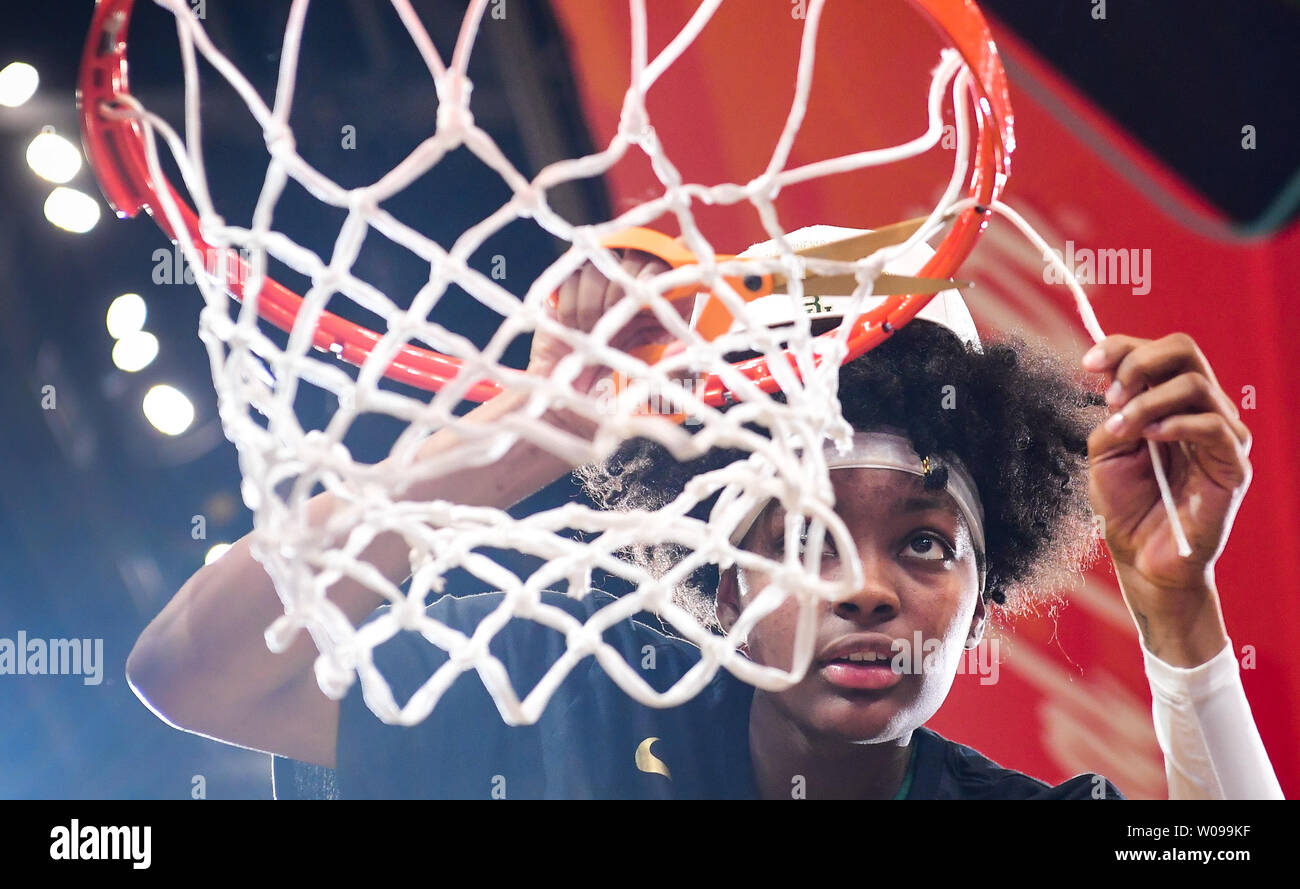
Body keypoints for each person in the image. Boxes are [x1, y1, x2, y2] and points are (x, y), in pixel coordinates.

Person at [126, 237, 1283, 800]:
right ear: (719, 579)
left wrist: (1176, 607)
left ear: (980, 602)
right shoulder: (560, 690)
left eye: (923, 540)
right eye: (796, 535)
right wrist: (527, 435)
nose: (862, 586)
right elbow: (198, 670)